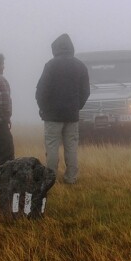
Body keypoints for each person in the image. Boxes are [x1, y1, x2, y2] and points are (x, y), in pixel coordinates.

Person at [36, 34, 90, 184]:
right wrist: (76, 107)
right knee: (71, 147)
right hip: (72, 115)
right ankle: (71, 178)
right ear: (71, 47)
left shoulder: (50, 65)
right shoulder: (80, 65)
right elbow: (86, 91)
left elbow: (41, 91)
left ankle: (50, 179)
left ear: (55, 49)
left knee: (52, 147)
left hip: (52, 116)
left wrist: (43, 108)